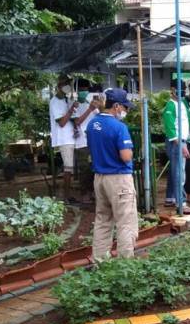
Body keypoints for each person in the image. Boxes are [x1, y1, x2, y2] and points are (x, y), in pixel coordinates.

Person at [85, 88, 139, 260]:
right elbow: (126, 156)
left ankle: (100, 261)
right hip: (119, 179)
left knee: (103, 220)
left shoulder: (92, 124)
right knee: (126, 222)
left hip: (99, 178)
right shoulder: (119, 127)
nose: (125, 111)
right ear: (116, 106)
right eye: (124, 107)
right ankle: (125, 264)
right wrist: (132, 152)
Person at [161, 79, 190, 213]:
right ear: (172, 90)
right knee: (179, 172)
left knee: (174, 170)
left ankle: (170, 198)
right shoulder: (171, 105)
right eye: (180, 88)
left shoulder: (180, 104)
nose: (182, 91)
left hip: (179, 141)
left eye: (184, 89)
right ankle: (181, 202)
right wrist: (181, 144)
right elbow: (170, 127)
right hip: (176, 142)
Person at [49, 78, 78, 202]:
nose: (68, 87)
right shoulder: (54, 102)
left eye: (69, 85)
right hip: (64, 139)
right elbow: (61, 122)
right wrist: (71, 110)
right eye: (66, 85)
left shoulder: (66, 100)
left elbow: (70, 119)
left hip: (70, 138)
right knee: (68, 168)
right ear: (59, 86)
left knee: (70, 169)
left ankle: (67, 195)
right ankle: (66, 196)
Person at [72, 86, 100, 203]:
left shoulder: (92, 104)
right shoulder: (75, 106)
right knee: (84, 169)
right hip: (81, 142)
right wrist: (89, 109)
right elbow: (77, 122)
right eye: (82, 90)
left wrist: (96, 107)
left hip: (93, 141)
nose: (84, 92)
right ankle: (84, 194)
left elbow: (98, 117)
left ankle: (92, 192)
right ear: (78, 92)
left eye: (86, 90)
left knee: (93, 168)